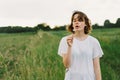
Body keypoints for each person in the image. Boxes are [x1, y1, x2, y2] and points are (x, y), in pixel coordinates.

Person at [58, 11, 104, 80]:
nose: (77, 22)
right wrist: (69, 47)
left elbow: (97, 68)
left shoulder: (93, 42)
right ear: (72, 24)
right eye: (74, 20)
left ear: (85, 23)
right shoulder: (65, 40)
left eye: (80, 20)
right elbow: (66, 65)